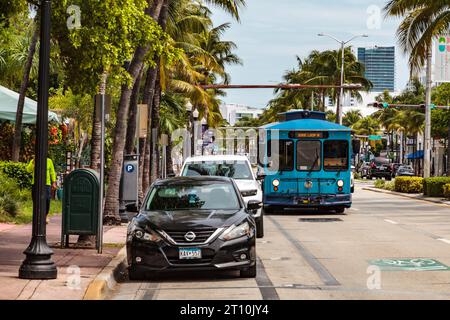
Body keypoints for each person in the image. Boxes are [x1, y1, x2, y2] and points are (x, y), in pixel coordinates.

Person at [26, 157, 57, 224]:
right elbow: (28, 170)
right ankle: (37, 216)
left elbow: (52, 172)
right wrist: (33, 163)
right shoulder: (33, 161)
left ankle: (45, 215)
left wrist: (54, 182)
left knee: (47, 199)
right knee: (35, 200)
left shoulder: (49, 161)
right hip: (35, 183)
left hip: (46, 184)